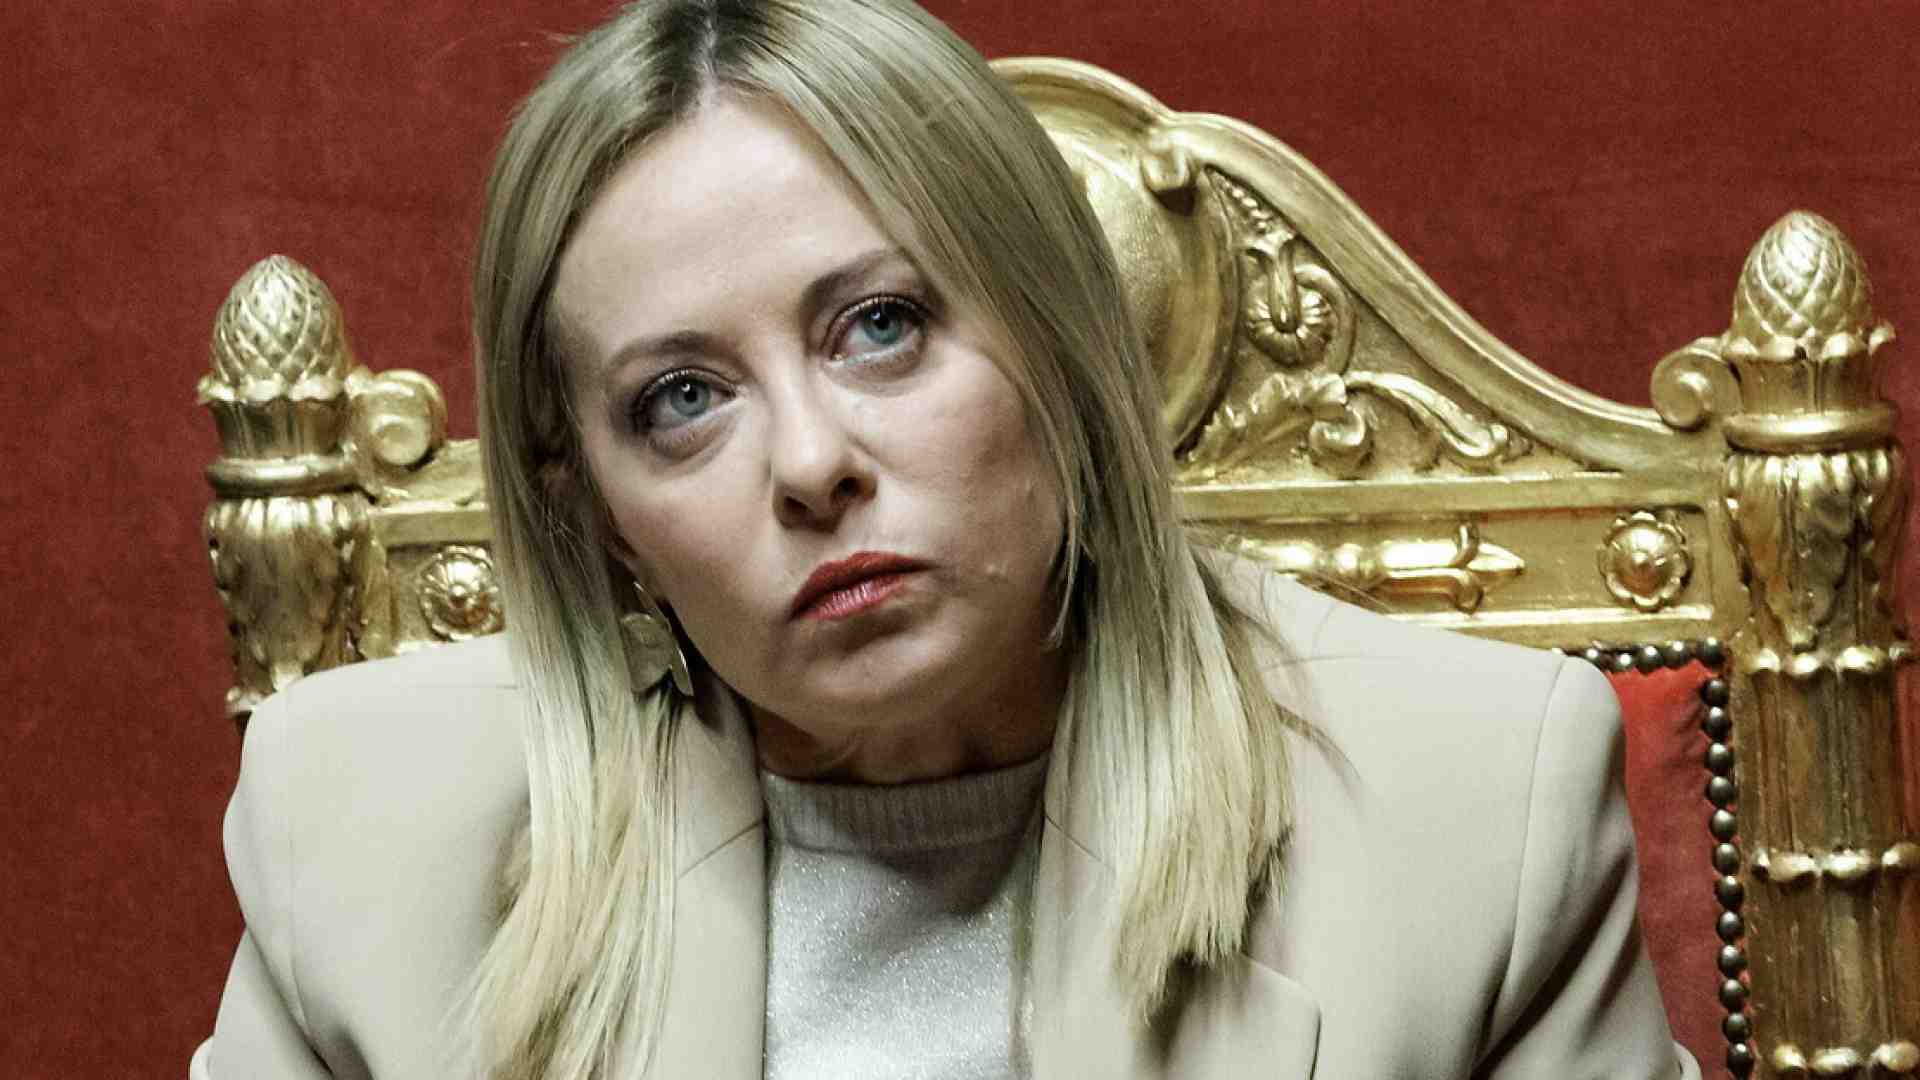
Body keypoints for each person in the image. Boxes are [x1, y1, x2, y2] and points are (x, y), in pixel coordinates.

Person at [192, 1, 1699, 1077]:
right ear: (601, 519)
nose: (810, 464)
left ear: (1061, 344)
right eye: (682, 400)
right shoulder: (361, 830)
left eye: (881, 326)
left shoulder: (1469, 806)